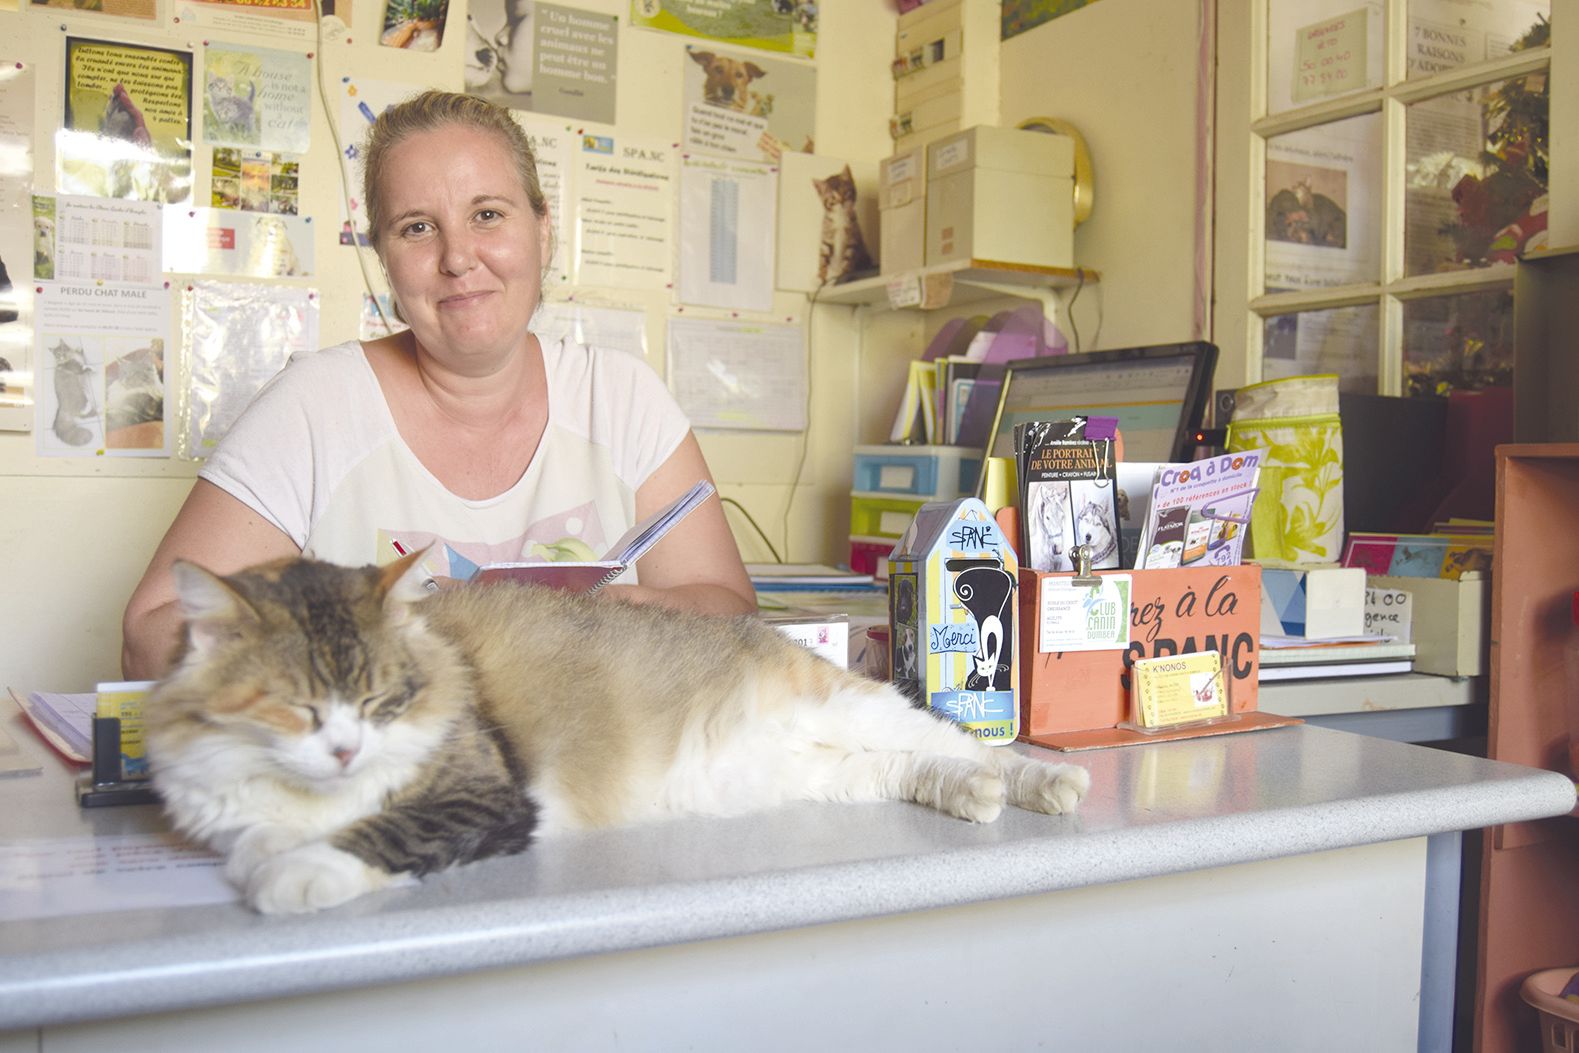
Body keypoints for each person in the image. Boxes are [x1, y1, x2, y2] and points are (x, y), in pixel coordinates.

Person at [121, 90, 755, 679]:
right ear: (384, 259)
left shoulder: (623, 398)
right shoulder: (314, 407)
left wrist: (600, 618)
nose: (457, 258)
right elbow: (148, 640)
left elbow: (730, 611)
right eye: (417, 228)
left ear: (542, 230)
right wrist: (398, 630)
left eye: (487, 214)